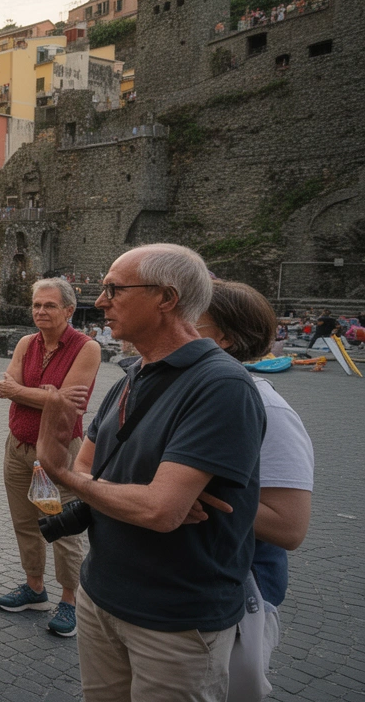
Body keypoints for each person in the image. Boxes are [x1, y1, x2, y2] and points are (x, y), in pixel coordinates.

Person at [33, 244, 265, 702]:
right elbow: (91, 466)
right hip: (100, 596)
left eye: (114, 289)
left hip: (174, 621)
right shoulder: (131, 377)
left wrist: (65, 475)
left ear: (166, 298)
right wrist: (142, 496)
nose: (100, 301)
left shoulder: (221, 386)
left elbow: (158, 510)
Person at [197, 281, 313, 702]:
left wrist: (188, 493)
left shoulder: (269, 409)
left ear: (224, 338)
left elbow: (289, 527)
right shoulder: (182, 394)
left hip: (236, 596)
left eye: (189, 320)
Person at [0, 278, 101, 637]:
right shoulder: (27, 343)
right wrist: (48, 395)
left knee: (63, 527)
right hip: (18, 447)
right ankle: (35, 588)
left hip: (58, 451)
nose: (40, 311)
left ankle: (70, 600)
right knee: (25, 522)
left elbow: (70, 403)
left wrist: (22, 392)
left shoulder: (87, 348)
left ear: (68, 310)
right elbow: (6, 387)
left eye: (49, 305)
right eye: (37, 305)